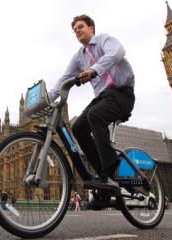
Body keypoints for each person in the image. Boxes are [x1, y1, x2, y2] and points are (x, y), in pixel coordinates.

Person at [49, 14, 135, 191]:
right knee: (78, 127)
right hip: (102, 98)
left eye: (80, 27)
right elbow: (64, 79)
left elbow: (117, 52)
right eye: (74, 30)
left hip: (122, 94)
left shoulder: (104, 40)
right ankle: (103, 176)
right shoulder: (79, 57)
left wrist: (94, 70)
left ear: (91, 28)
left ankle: (112, 169)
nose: (77, 31)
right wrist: (46, 100)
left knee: (94, 115)